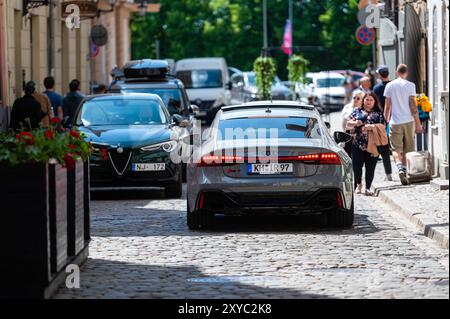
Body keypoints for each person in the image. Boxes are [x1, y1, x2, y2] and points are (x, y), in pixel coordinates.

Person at [384, 64, 422, 185]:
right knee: (408, 149)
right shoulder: (411, 85)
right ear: (406, 73)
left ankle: (400, 167)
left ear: (396, 72)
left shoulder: (390, 85)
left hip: (395, 122)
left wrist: (385, 121)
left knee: (396, 149)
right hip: (409, 121)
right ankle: (405, 172)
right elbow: (413, 106)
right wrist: (418, 123)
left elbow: (387, 106)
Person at [346, 92, 385, 196]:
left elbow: (382, 126)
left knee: (370, 167)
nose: (368, 102)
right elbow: (348, 123)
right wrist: (356, 123)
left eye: (371, 100)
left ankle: (367, 188)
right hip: (357, 144)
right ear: (363, 101)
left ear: (375, 102)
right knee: (356, 166)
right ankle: (358, 185)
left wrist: (370, 127)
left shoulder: (378, 113)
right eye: (367, 99)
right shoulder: (357, 111)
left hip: (373, 145)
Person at [373, 65, 393, 181]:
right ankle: (404, 170)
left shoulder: (377, 88)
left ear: (380, 75)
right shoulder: (393, 85)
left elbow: (377, 105)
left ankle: (388, 174)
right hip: (395, 118)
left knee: (383, 146)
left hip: (382, 120)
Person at [341, 90, 365, 157]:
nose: (355, 100)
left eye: (358, 98)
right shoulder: (347, 107)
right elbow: (343, 120)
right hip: (347, 133)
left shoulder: (363, 110)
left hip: (358, 135)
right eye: (354, 97)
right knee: (347, 155)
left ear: (362, 100)